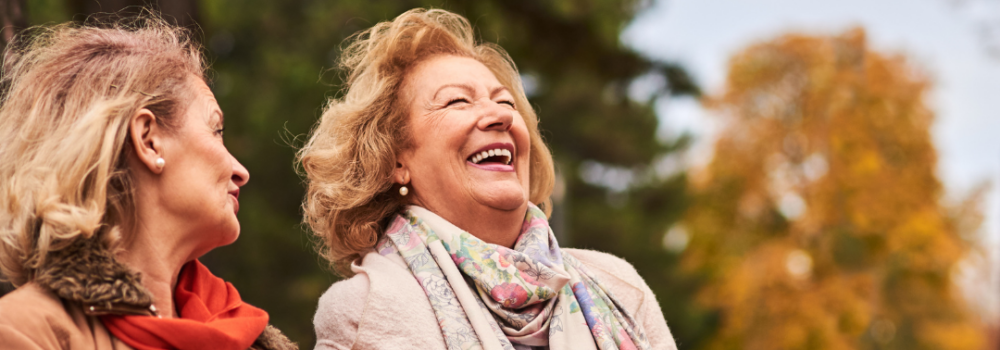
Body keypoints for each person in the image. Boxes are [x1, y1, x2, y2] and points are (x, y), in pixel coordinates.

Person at [300, 8, 677, 350]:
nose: (501, 117)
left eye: (506, 102)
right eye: (457, 102)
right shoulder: (364, 311)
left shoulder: (619, 286)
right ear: (395, 159)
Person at [0, 17, 297, 350]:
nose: (241, 171)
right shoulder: (21, 333)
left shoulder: (245, 333)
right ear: (149, 140)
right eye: (216, 130)